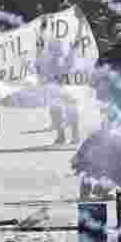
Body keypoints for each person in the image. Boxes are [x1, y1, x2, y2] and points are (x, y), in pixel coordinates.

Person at [76, 24, 121, 199]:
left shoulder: (104, 58)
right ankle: (104, 188)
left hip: (107, 109)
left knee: (101, 146)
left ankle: (90, 187)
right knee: (120, 154)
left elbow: (93, 82)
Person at [37, 15, 79, 145]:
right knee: (57, 112)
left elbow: (74, 49)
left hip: (63, 88)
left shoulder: (57, 59)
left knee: (65, 110)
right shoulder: (48, 58)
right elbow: (39, 47)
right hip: (55, 88)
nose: (54, 50)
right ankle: (64, 135)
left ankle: (71, 135)